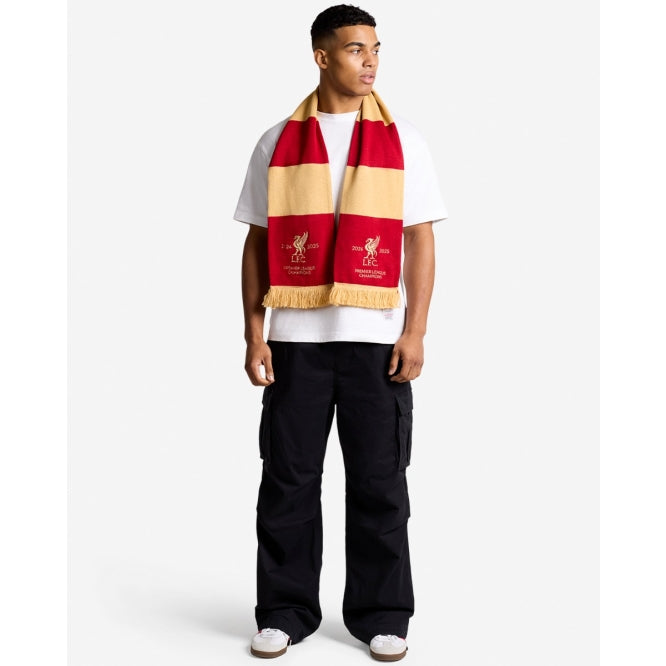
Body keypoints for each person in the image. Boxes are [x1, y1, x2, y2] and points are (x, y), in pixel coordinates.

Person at [234, 4, 448, 661]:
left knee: (381, 483)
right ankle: (284, 612)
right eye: (357, 49)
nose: (371, 61)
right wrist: (254, 333)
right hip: (296, 344)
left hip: (376, 342)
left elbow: (419, 240)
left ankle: (383, 615)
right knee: (287, 482)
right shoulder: (276, 142)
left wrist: (415, 331)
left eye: (376, 49)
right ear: (322, 56)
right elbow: (257, 243)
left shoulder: (403, 140)